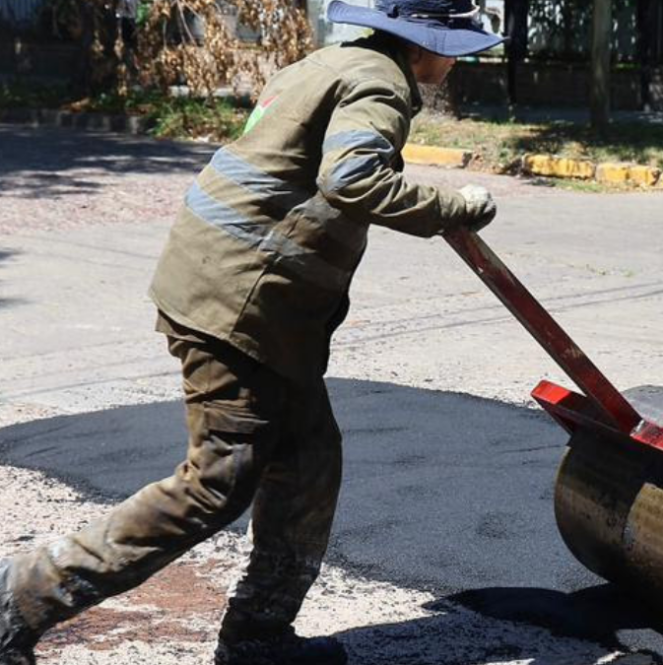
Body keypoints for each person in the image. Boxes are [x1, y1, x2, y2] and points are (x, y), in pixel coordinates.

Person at [0, 2, 502, 664]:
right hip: (236, 305)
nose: (453, 62)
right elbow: (351, 178)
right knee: (216, 481)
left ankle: (259, 638)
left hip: (238, 298)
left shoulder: (331, 61)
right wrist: (449, 207)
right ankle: (23, 594)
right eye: (452, 49)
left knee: (308, 461)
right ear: (421, 47)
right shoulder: (379, 82)